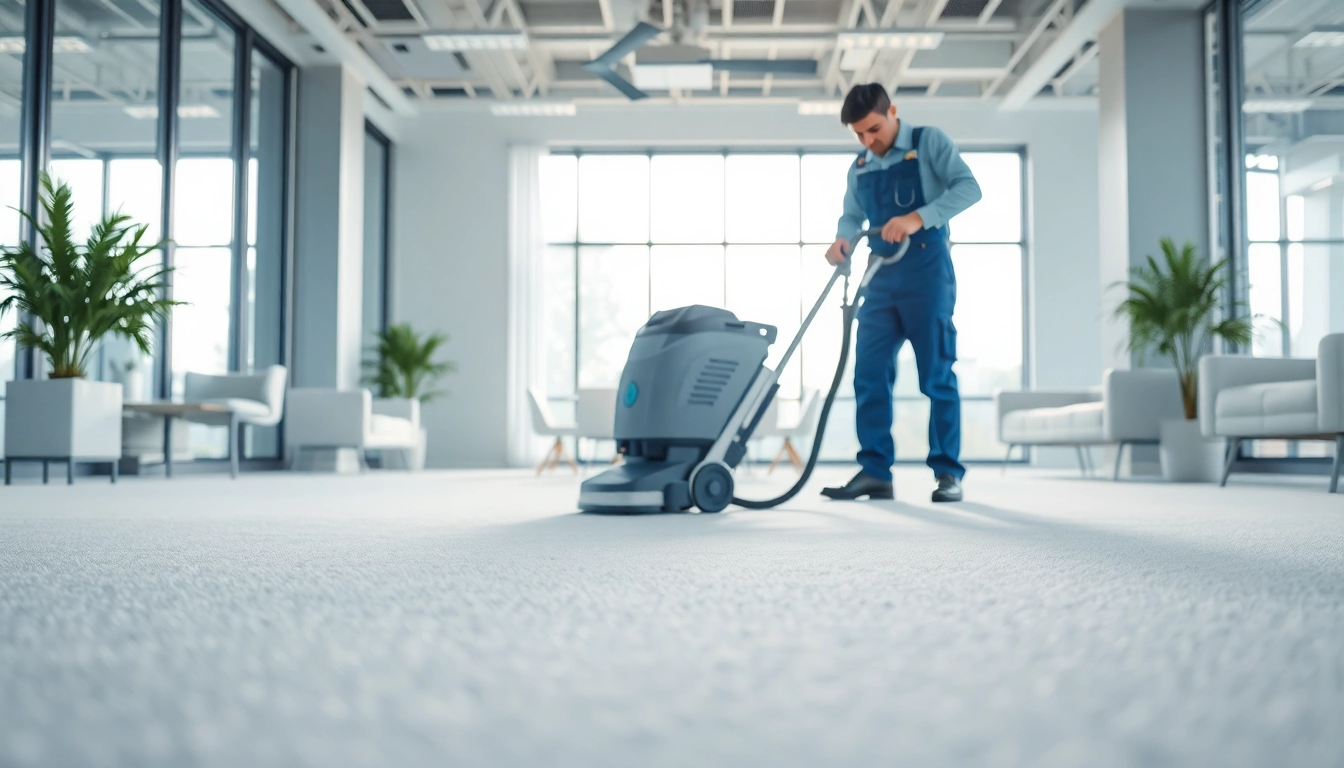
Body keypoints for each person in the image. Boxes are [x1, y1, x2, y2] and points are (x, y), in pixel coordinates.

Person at [820, 83, 982, 503]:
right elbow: (851, 215)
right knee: (869, 375)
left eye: (873, 129)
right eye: (858, 134)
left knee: (937, 376)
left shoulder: (929, 142)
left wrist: (917, 217)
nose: (867, 141)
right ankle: (875, 471)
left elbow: (969, 188)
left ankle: (947, 473)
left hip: (926, 272)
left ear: (892, 112)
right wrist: (842, 239)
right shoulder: (860, 165)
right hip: (879, 277)